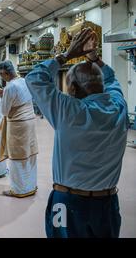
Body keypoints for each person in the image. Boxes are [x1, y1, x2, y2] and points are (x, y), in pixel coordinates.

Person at [25, 28, 128, 238]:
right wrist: (94, 57)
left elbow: (35, 78)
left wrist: (67, 54)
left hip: (69, 203)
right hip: (106, 203)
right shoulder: (119, 108)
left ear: (72, 88)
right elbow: (111, 80)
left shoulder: (68, 111)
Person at [0, 61, 39, 198]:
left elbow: (4, 110)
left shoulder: (10, 87)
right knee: (29, 154)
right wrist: (5, 95)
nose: (2, 78)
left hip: (18, 124)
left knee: (17, 157)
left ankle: (19, 189)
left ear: (5, 73)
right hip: (30, 121)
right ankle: (31, 185)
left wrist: (2, 96)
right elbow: (19, 99)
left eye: (1, 75)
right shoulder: (24, 81)